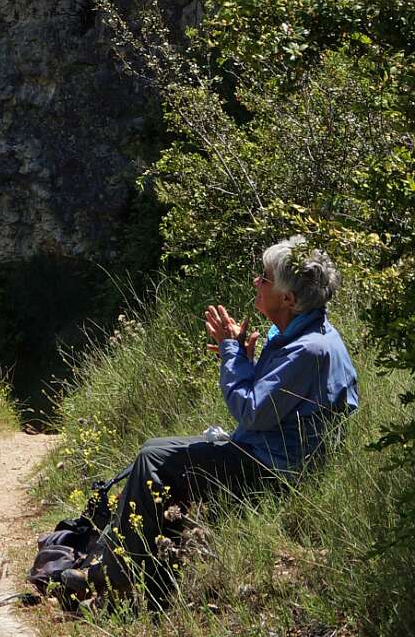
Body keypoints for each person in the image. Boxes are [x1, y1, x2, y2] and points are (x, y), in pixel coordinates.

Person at [71, 237, 358, 602]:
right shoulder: (302, 336)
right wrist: (241, 359)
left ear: (288, 299)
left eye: (265, 278)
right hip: (269, 455)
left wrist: (231, 353)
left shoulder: (307, 349)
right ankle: (134, 574)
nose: (256, 281)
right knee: (158, 455)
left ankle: (112, 581)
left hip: (274, 471)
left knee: (155, 458)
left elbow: (250, 410)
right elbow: (270, 405)